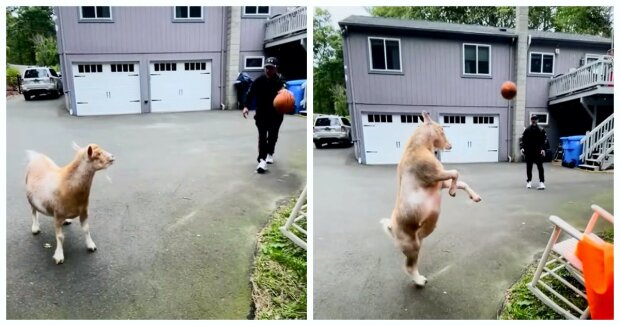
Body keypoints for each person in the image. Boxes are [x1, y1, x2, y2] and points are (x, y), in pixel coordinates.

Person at [242, 57, 286, 174]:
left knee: (272, 136)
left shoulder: (280, 82)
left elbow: (286, 97)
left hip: (276, 115)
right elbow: (250, 94)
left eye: (271, 68)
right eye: (266, 68)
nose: (268, 70)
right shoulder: (259, 81)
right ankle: (262, 160)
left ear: (275, 69)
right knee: (262, 137)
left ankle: (270, 153)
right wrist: (246, 106)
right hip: (261, 114)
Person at [520, 115, 548, 190]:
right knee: (529, 167)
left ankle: (541, 182)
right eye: (533, 119)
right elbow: (523, 140)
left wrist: (543, 149)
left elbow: (544, 141)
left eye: (535, 119)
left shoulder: (541, 130)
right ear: (531, 120)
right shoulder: (527, 130)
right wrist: (522, 148)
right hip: (529, 152)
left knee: (540, 167)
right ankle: (529, 181)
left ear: (537, 120)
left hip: (538, 151)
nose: (534, 121)